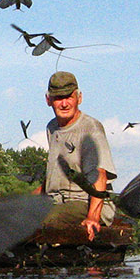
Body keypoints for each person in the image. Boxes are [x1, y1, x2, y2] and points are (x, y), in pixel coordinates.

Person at [38, 71, 115, 240]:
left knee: (44, 220)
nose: (64, 104)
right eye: (58, 98)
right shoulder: (52, 128)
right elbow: (54, 175)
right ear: (48, 100)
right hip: (57, 202)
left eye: (69, 97)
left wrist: (93, 217)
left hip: (85, 201)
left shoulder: (90, 128)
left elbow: (100, 176)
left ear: (79, 98)